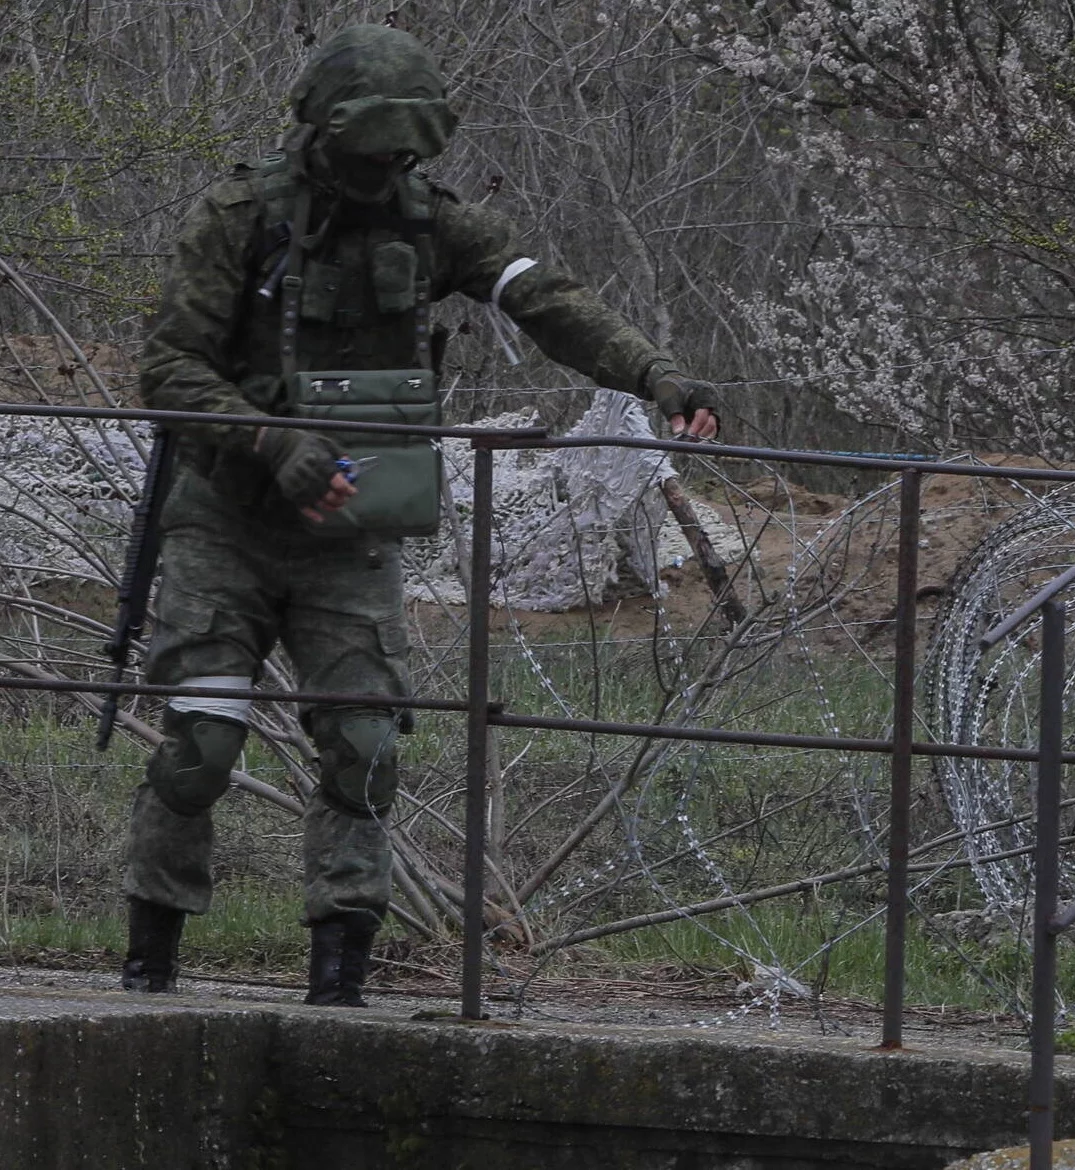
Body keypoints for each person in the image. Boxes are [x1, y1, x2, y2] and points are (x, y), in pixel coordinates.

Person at [122, 23, 718, 1005]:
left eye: (403, 154)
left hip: (347, 538)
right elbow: (169, 368)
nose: (385, 170)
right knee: (202, 740)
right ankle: (149, 967)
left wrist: (655, 374)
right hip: (225, 520)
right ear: (324, 132)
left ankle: (339, 975)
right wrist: (273, 441)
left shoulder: (433, 223)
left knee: (363, 749)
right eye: (372, 152)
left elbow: (549, 300)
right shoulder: (241, 218)